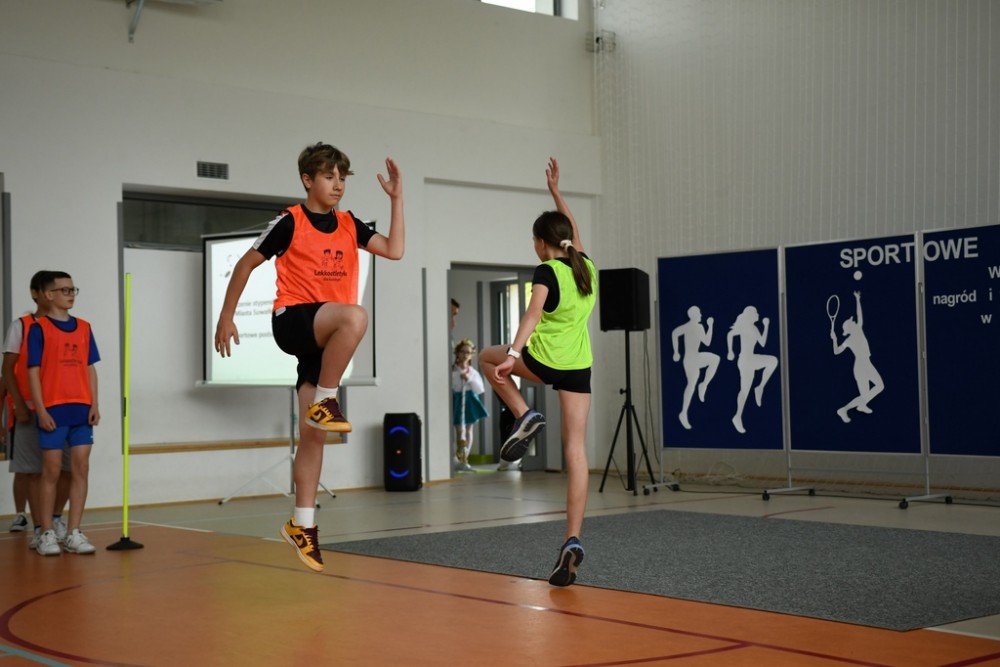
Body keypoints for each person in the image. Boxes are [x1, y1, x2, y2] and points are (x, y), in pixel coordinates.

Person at [214, 142, 404, 572]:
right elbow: (244, 265)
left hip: (325, 334)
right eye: (329, 177)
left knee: (313, 436)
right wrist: (226, 317)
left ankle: (302, 525)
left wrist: (396, 199)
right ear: (307, 179)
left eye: (342, 178)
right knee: (356, 316)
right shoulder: (290, 221)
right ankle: (326, 399)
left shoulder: (349, 224)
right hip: (293, 320)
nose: (337, 185)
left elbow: (394, 250)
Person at [478, 157, 597, 587]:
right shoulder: (587, 268)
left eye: (535, 240)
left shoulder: (547, 270)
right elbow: (573, 231)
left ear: (541, 243)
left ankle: (524, 414)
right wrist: (556, 193)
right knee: (576, 451)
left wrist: (512, 355)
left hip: (545, 359)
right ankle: (572, 538)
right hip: (579, 367)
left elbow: (531, 315)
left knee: (486, 359)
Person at [27, 271, 101, 556]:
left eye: (73, 289)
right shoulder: (39, 329)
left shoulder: (84, 327)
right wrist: (41, 409)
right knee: (52, 470)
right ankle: (46, 532)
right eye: (65, 290)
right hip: (53, 410)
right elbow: (33, 372)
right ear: (49, 295)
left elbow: (89, 368)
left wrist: (94, 403)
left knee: (81, 468)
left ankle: (73, 532)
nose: (71, 294)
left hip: (81, 409)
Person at [3, 270, 72, 546]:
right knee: (33, 470)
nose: (65, 294)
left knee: (67, 468)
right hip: (30, 409)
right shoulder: (21, 326)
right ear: (37, 293)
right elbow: (7, 370)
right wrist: (19, 404)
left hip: (62, 408)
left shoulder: (71, 327)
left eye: (69, 290)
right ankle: (40, 527)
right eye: (58, 290)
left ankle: (55, 518)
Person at [831, 291, 884, 423]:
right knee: (869, 392)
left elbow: (859, 316)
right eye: (852, 322)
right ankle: (846, 408)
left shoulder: (856, 333)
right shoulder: (852, 337)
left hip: (866, 364)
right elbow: (836, 351)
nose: (854, 321)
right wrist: (834, 339)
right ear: (850, 327)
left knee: (879, 387)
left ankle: (858, 405)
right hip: (861, 367)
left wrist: (857, 299)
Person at [726, 305, 778, 434]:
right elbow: (762, 343)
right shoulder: (750, 327)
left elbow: (730, 334)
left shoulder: (749, 327)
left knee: (745, 390)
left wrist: (730, 351)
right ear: (751, 315)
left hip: (747, 360)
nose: (758, 315)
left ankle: (739, 413)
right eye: (756, 313)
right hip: (747, 361)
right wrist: (766, 325)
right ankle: (738, 415)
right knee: (772, 361)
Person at [671, 305, 720, 430]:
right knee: (691, 385)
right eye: (699, 313)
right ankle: (684, 412)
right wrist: (710, 326)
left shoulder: (687, 326)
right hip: (692, 360)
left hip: (692, 358)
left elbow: (675, 333)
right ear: (694, 315)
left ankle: (703, 385)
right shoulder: (698, 327)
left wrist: (676, 352)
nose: (701, 315)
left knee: (715, 359)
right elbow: (707, 342)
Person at [451, 339, 488, 472]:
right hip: (457, 399)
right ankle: (458, 457)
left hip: (470, 400)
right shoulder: (452, 370)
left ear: (471, 355)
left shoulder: (472, 372)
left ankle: (465, 457)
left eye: (468, 352)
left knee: (468, 429)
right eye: (462, 352)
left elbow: (479, 389)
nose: (465, 355)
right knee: (459, 430)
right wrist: (457, 377)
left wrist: (469, 379)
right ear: (457, 353)